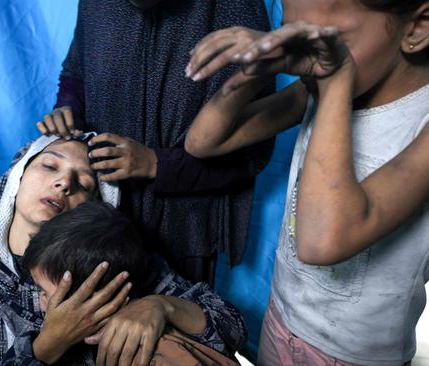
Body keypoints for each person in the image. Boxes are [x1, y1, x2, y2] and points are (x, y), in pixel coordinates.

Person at [184, 0, 429, 364]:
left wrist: (335, 85)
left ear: (417, 27)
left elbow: (322, 243)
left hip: (356, 355)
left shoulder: (418, 123)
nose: (309, 55)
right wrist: (255, 72)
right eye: (293, 34)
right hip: (281, 319)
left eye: (326, 40)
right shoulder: (317, 85)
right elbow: (203, 142)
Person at [0, 134, 247, 365]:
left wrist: (162, 307)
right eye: (50, 166)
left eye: (84, 184)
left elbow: (232, 327)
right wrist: (48, 345)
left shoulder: (114, 262)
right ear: (15, 180)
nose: (65, 183)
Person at [36, 0, 274, 284]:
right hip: (92, 214)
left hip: (183, 227)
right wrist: (68, 110)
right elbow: (77, 71)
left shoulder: (234, 8)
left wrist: (156, 165)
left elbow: (250, 153)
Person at [17, 200, 241, 366]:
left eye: (45, 292)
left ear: (98, 298)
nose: (40, 300)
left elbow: (233, 326)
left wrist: (162, 305)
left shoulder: (160, 353)